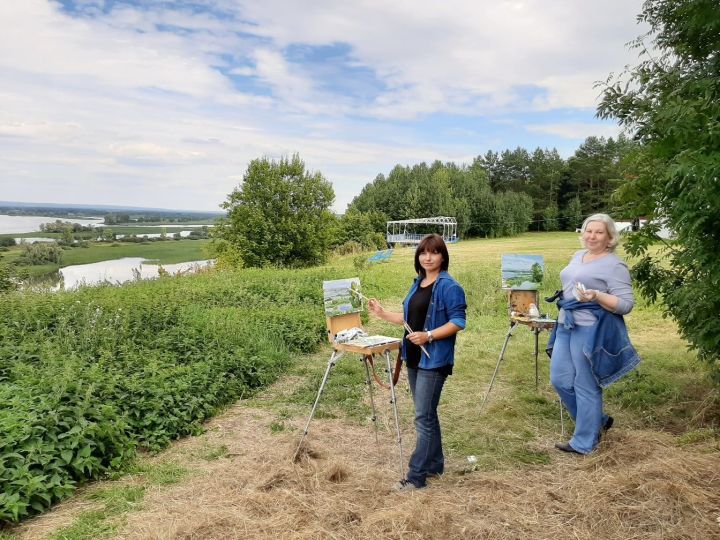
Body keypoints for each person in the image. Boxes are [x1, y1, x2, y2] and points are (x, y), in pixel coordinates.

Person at [368, 234, 466, 490]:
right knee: (427, 414)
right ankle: (435, 464)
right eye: (423, 252)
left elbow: (458, 322)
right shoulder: (418, 283)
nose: (428, 257)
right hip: (412, 357)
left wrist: (429, 335)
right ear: (418, 256)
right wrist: (381, 313)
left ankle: (416, 477)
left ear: (443, 256)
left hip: (434, 361)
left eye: (434, 252)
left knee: (422, 417)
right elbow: (407, 317)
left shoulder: (449, 286)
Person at [549, 213, 637, 455]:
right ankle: (598, 421)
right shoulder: (578, 256)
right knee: (560, 379)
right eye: (589, 230)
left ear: (609, 237)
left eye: (599, 232)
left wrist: (597, 295)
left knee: (585, 384)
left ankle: (585, 442)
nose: (592, 236)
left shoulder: (614, 265)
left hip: (591, 329)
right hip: (567, 324)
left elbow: (626, 304)